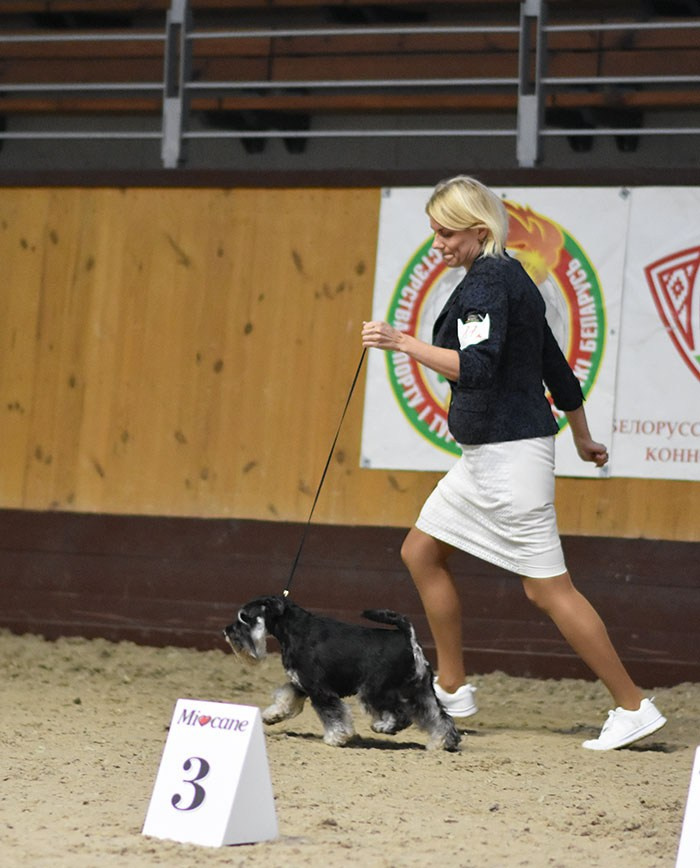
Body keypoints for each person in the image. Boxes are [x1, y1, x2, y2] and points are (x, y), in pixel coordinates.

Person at [361, 175, 666, 751]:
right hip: (487, 459)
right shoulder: (513, 278)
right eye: (433, 232)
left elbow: (474, 369)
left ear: (479, 231)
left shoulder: (489, 282)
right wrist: (582, 437)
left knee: (549, 591)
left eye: (447, 233)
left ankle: (632, 705)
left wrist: (401, 342)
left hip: (507, 461)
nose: (437, 245)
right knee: (420, 550)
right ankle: (451, 686)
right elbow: (557, 369)